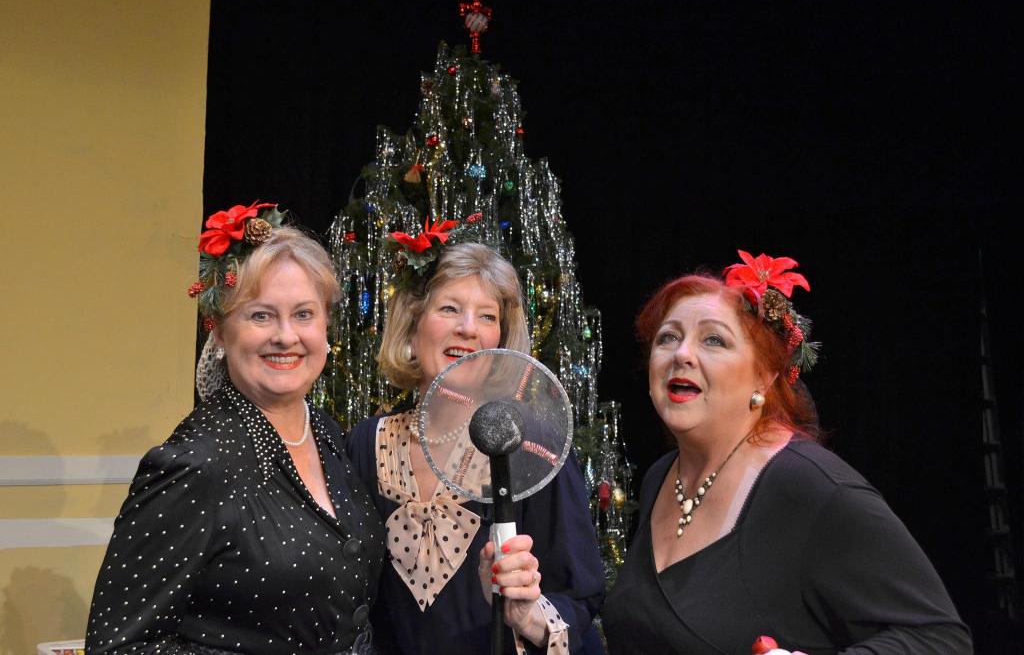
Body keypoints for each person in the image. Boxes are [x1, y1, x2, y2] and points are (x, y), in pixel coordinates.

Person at [602, 250, 972, 654]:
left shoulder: (808, 486)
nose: (681, 354)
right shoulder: (661, 478)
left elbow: (940, 640)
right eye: (668, 337)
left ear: (764, 375)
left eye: (714, 340)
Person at [86, 202, 385, 654]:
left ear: (325, 327)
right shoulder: (194, 464)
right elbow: (119, 647)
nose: (286, 336)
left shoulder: (327, 434)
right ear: (221, 333)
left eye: (304, 314)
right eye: (261, 315)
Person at [345, 223, 605, 655]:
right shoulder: (366, 445)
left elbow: (579, 598)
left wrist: (525, 612)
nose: (468, 328)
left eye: (487, 316)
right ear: (412, 327)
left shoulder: (531, 445)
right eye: (449, 308)